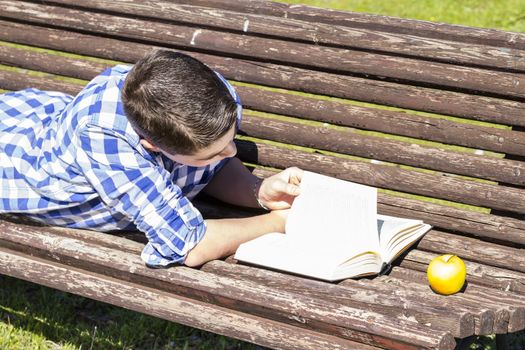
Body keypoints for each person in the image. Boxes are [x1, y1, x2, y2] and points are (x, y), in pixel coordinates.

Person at [0, 49, 303, 267]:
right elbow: (189, 244)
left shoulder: (213, 94)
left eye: (231, 138)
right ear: (152, 146)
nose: (233, 152)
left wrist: (259, 191)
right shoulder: (109, 144)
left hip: (40, 117)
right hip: (14, 162)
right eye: (213, 153)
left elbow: (210, 167)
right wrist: (279, 222)